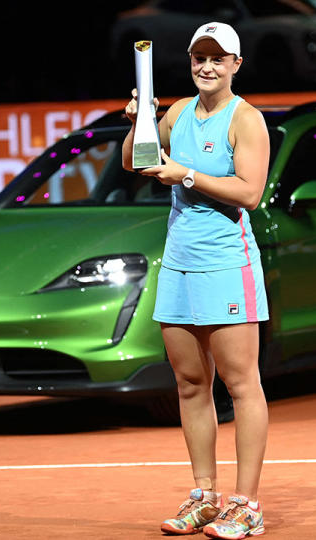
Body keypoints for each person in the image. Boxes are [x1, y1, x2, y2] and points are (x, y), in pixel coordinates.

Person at [122, 22, 270, 539]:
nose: (206, 66)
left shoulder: (246, 120)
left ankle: (247, 505)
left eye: (217, 58)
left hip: (227, 266)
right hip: (180, 264)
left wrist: (183, 174)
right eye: (198, 58)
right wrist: (140, 120)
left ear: (235, 65)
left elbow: (249, 193)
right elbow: (136, 162)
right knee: (189, 383)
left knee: (241, 383)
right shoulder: (178, 113)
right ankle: (204, 496)